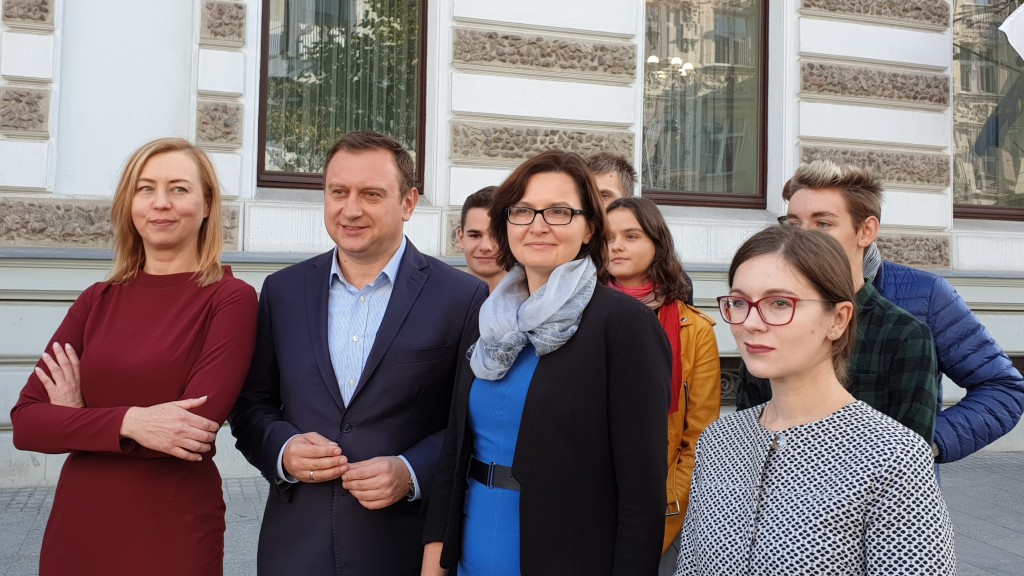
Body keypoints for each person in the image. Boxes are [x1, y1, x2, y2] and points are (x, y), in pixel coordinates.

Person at [229, 131, 487, 575]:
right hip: (295, 546)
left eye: (371, 194)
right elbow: (252, 406)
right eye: (338, 192)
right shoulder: (282, 291)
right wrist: (283, 449)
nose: (351, 209)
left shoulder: (461, 298)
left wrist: (411, 471)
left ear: (408, 203)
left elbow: (471, 420)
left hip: (402, 546)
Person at [11, 137, 258, 575]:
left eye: (179, 188)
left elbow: (190, 433)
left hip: (171, 528)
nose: (161, 203)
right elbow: (28, 423)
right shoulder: (97, 299)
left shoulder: (230, 299)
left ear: (206, 205)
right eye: (146, 188)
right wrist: (132, 423)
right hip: (79, 526)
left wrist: (76, 421)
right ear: (130, 204)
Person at [422, 150, 671, 575]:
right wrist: (434, 563)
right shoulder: (487, 321)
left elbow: (641, 492)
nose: (537, 225)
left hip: (566, 558)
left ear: (590, 228)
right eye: (522, 211)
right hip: (471, 551)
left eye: (559, 211)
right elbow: (454, 456)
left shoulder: (624, 325)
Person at [675, 225, 956, 576]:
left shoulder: (893, 458)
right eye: (739, 302)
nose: (751, 323)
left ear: (838, 319)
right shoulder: (720, 441)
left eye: (780, 303)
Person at [738, 161, 939, 443]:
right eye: (793, 224)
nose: (803, 236)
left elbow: (910, 451)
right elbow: (748, 433)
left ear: (866, 231)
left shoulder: (904, 334)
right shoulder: (764, 322)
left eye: (823, 224)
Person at [601, 196, 720, 576]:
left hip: (658, 502)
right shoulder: (577, 315)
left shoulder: (695, 330)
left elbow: (700, 436)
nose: (616, 246)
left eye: (631, 236)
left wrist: (667, 501)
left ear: (657, 243)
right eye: (607, 237)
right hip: (585, 498)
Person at [865, 243, 1024, 463]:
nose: (815, 235)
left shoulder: (926, 294)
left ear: (866, 230)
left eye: (825, 225)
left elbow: (1003, 389)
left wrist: (924, 444)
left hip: (893, 481)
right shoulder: (812, 297)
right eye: (798, 222)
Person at [457, 185, 505, 291]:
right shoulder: (438, 297)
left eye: (497, 235)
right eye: (475, 235)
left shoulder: (537, 298)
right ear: (461, 238)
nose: (485, 247)